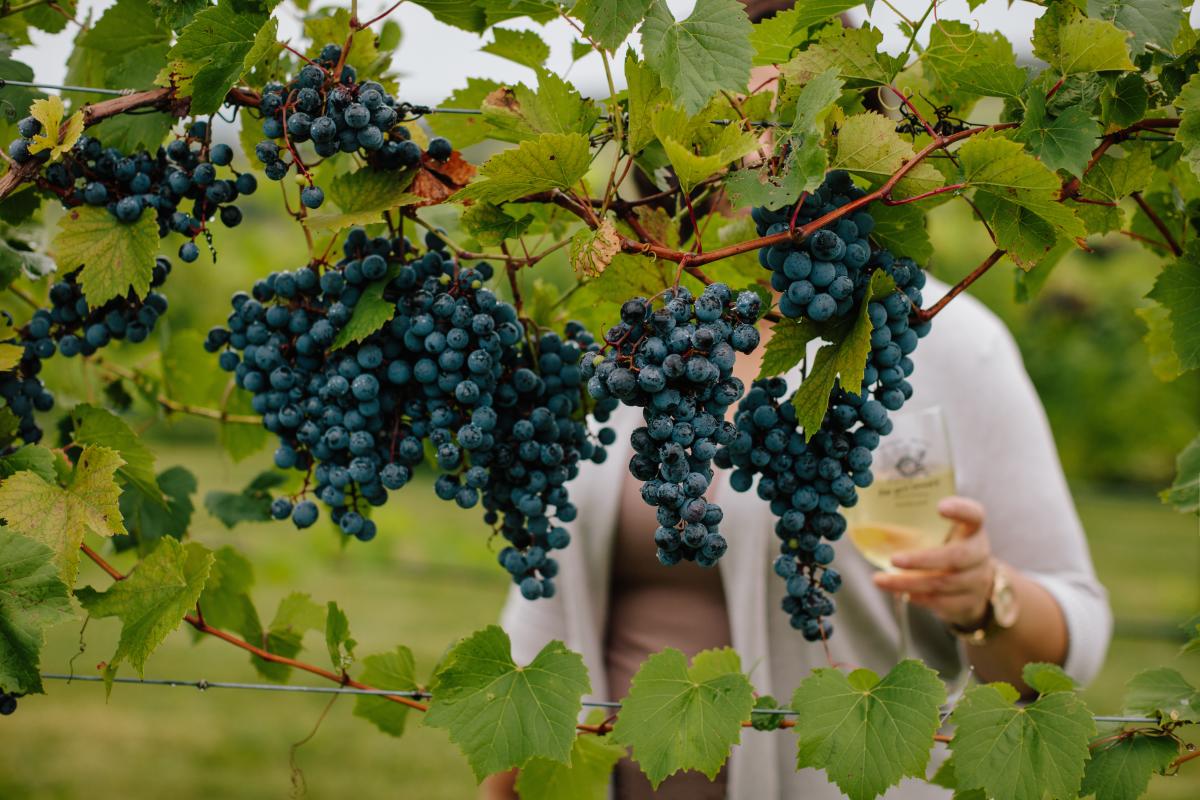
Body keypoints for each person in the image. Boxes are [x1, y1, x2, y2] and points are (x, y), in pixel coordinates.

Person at [479, 272, 1111, 799]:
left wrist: (985, 597)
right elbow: (546, 608)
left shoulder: (938, 335)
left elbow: (1074, 632)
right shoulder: (641, 323)